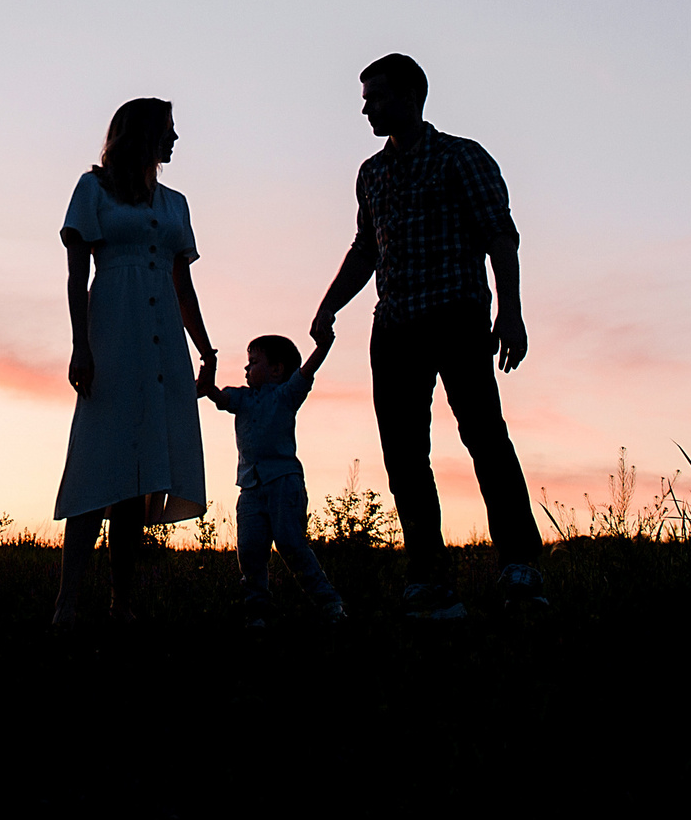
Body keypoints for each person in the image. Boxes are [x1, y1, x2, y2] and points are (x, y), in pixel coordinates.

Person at [310, 54, 545, 619]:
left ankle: (520, 569)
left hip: (458, 318)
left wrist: (510, 314)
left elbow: (500, 238)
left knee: (485, 438)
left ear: (412, 96)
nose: (366, 107)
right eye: (365, 98)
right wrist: (329, 305)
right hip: (394, 330)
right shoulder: (372, 173)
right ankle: (429, 579)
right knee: (405, 456)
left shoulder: (462, 158)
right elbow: (366, 248)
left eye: (376, 96)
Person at [53, 97, 216, 625]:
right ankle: (67, 604)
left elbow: (182, 285)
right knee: (96, 463)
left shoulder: (175, 204)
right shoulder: (92, 189)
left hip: (164, 342)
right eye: (167, 130)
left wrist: (205, 349)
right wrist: (81, 344)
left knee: (140, 476)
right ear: (141, 133)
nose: (174, 140)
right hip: (112, 334)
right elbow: (78, 276)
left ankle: (122, 603)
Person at [199, 332, 345, 625]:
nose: (246, 368)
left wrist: (323, 345)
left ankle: (330, 604)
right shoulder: (242, 397)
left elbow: (307, 371)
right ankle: (257, 608)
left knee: (291, 543)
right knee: (251, 548)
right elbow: (218, 395)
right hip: (250, 486)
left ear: (277, 369)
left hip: (283, 482)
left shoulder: (286, 394)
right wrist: (205, 382)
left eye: (253, 362)